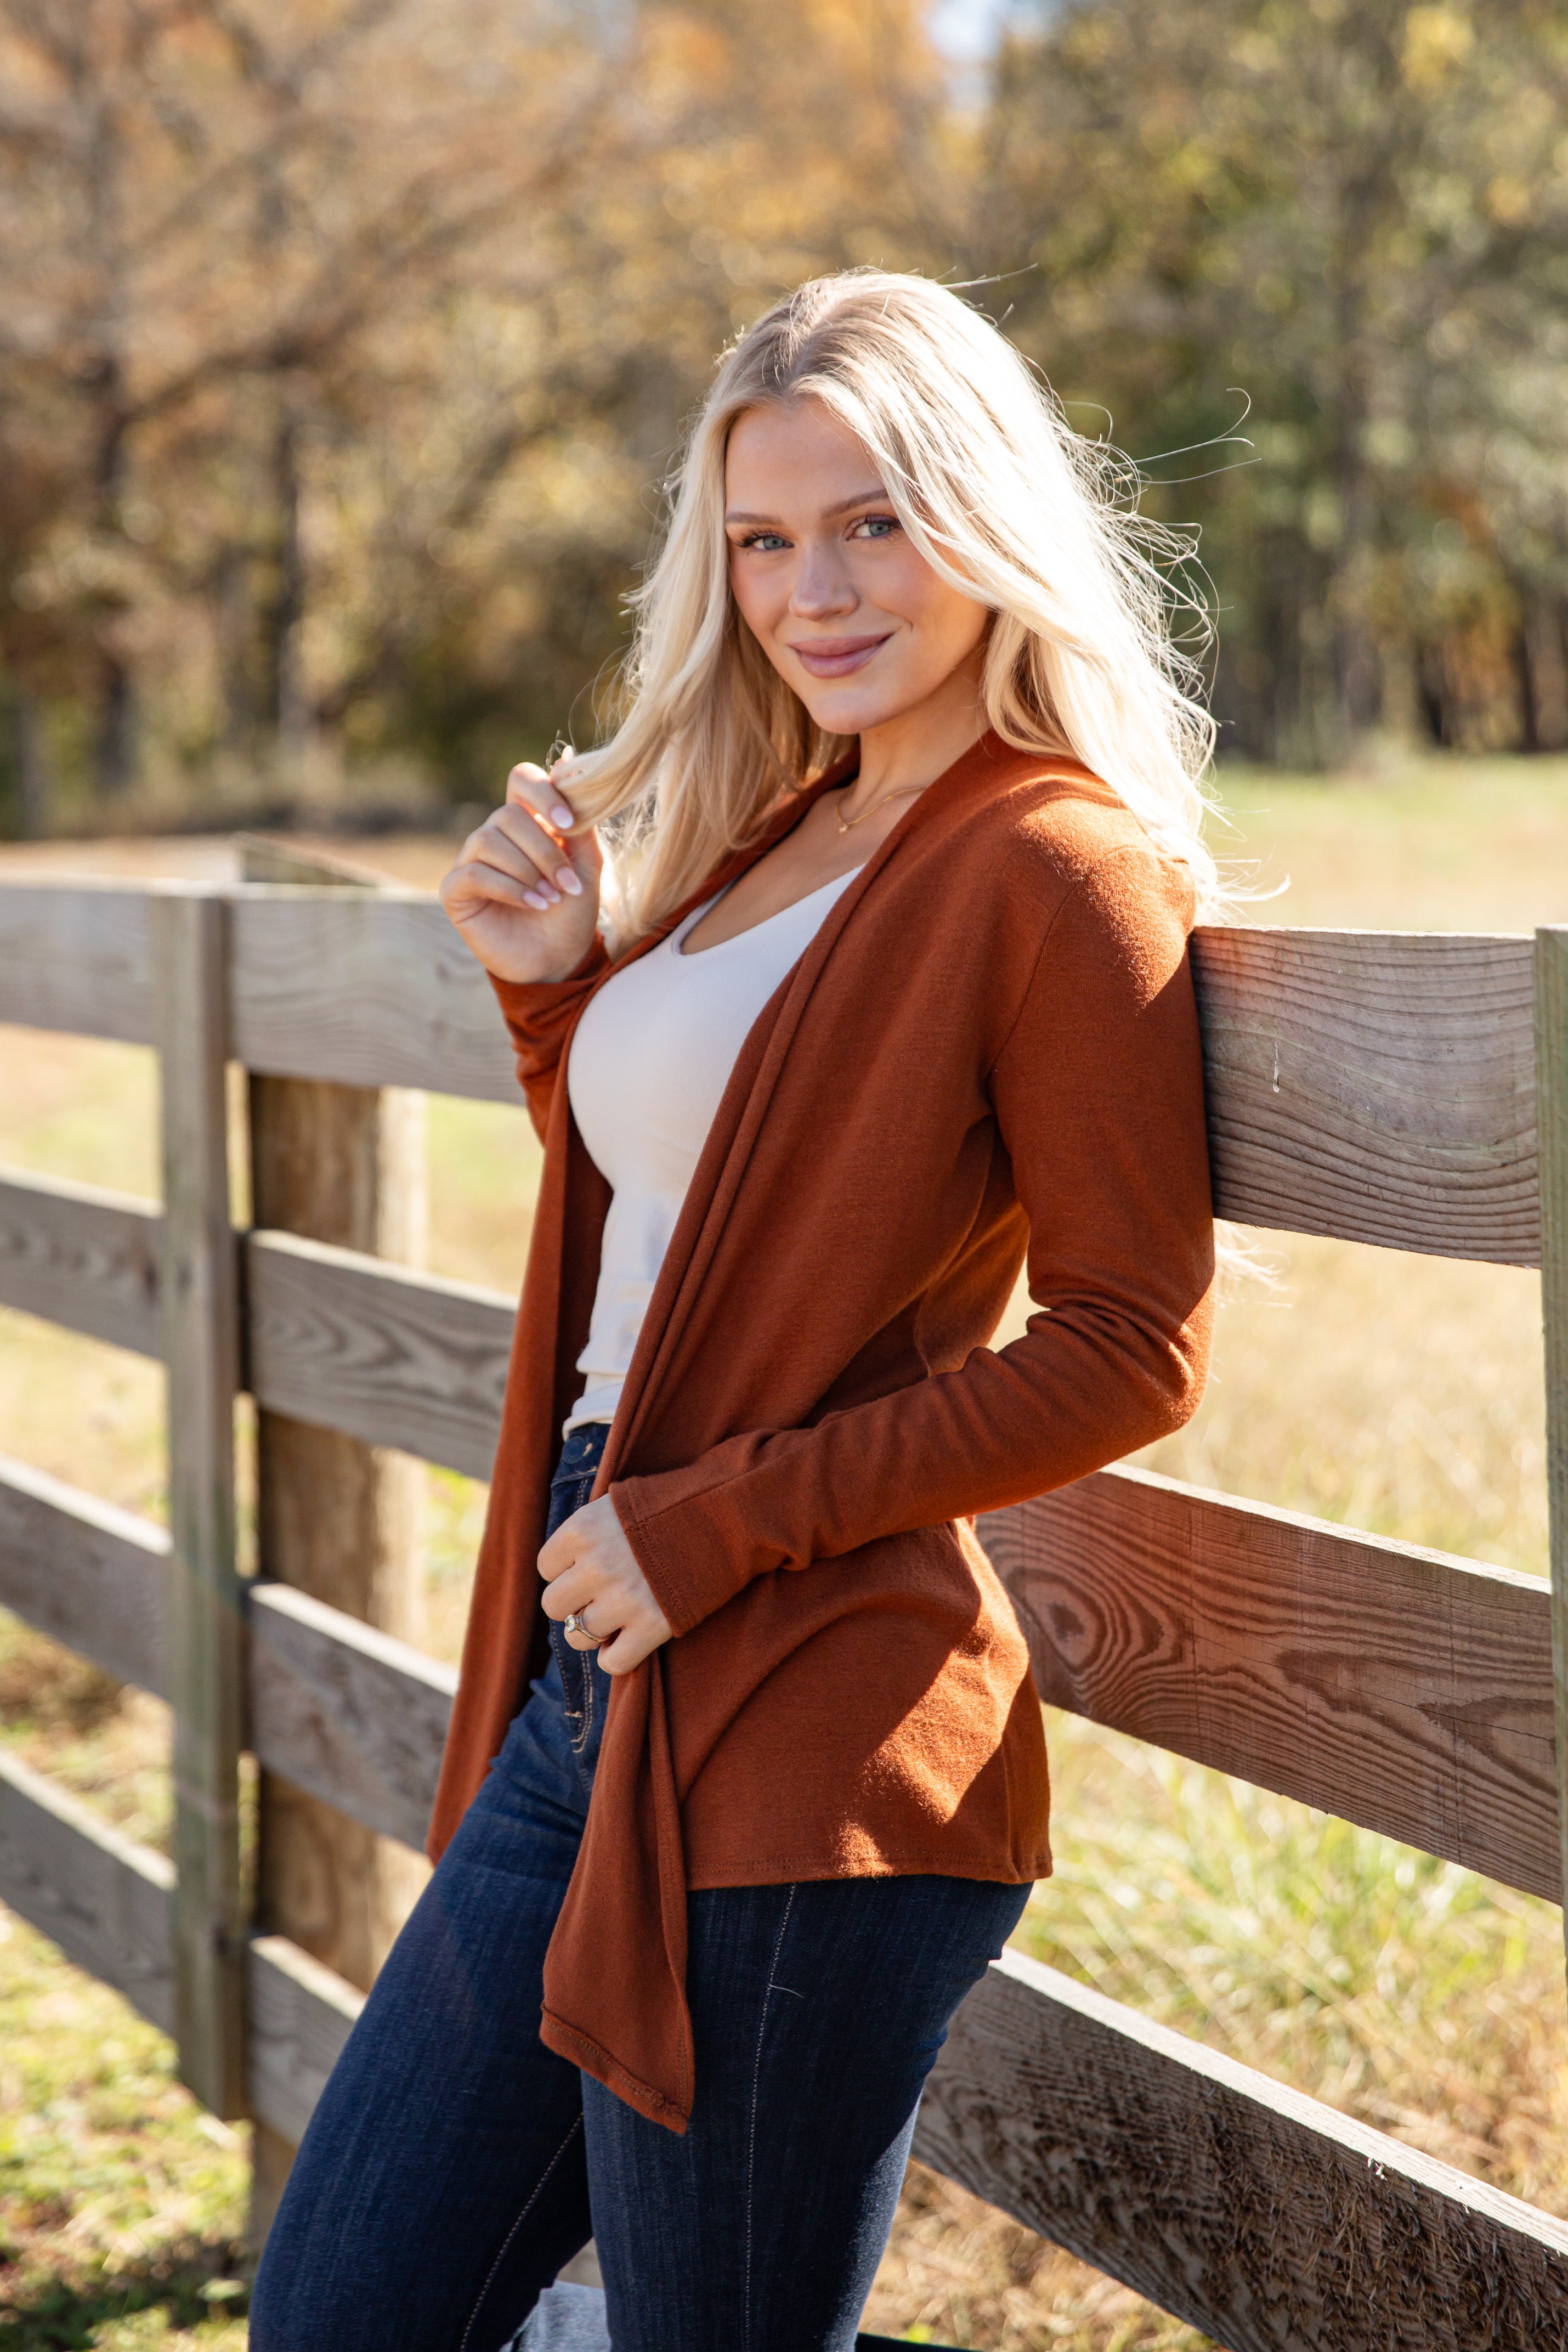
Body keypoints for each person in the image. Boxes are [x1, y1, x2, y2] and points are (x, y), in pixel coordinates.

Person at [249, 269, 1217, 2352]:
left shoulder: (1051, 865)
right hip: (596, 1681)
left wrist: (712, 1525)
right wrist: (561, 992)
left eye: (871, 521)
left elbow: (1133, 1341)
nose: (815, 590)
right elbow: (699, 1233)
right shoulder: (790, 828)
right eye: (764, 541)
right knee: (340, 2316)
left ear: (982, 517)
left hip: (803, 1712)